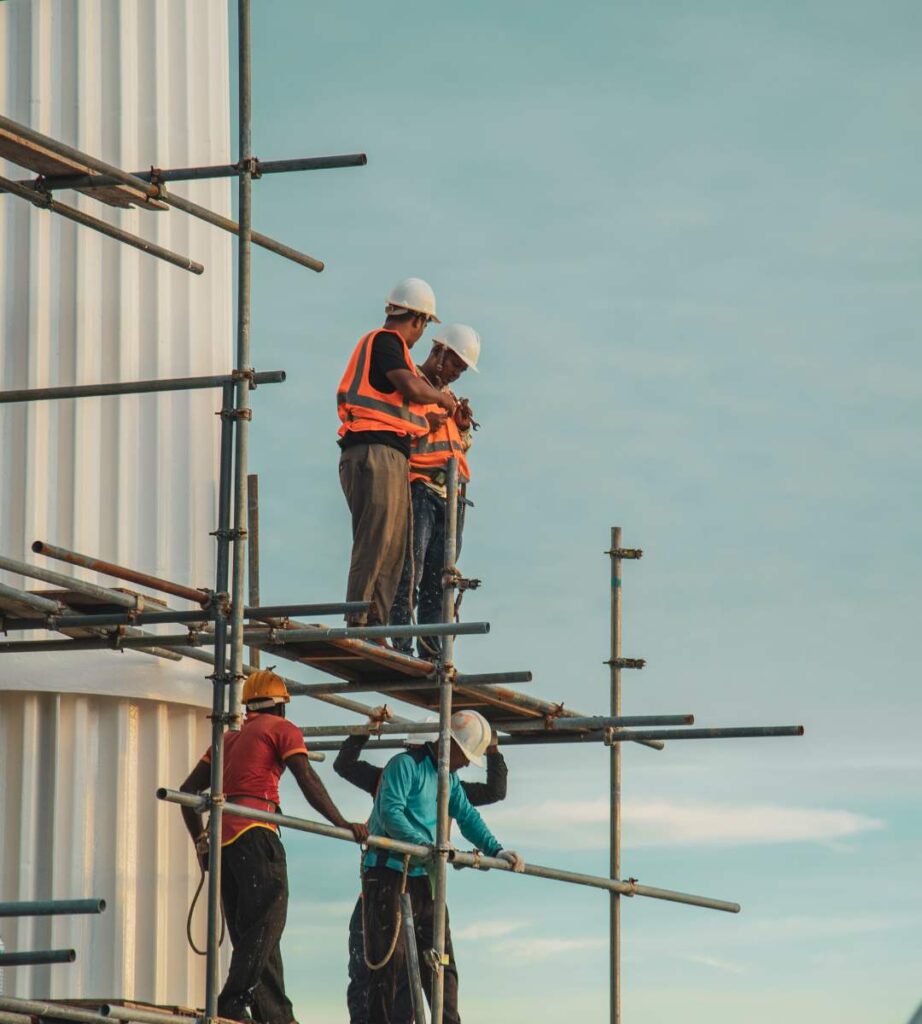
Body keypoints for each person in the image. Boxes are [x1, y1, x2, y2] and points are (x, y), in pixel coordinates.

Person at [178, 669, 369, 1024]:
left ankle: (275, 1015)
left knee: (255, 933)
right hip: (256, 832)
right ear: (280, 707)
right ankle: (232, 1002)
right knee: (268, 922)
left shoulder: (227, 740)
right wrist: (341, 822)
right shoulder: (281, 729)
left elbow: (187, 795)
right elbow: (306, 777)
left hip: (224, 842)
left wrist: (201, 843)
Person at [334, 706, 508, 1024]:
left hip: (423, 879)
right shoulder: (404, 766)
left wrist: (496, 850)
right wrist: (424, 846)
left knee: (441, 963)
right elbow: (390, 811)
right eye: (466, 754)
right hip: (389, 875)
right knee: (389, 964)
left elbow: (468, 815)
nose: (468, 762)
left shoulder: (449, 780)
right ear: (450, 744)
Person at [337, 278, 458, 634]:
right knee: (376, 539)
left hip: (388, 453)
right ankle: (360, 620)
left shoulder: (393, 352)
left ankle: (376, 624)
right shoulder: (386, 342)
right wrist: (440, 399)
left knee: (393, 548)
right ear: (419, 319)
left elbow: (400, 406)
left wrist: (433, 418)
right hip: (372, 452)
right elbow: (409, 386)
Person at [389, 324, 481, 658]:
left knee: (438, 581)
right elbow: (399, 432)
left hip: (451, 496)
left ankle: (431, 652)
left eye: (462, 368)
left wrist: (463, 428)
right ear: (438, 351)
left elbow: (456, 447)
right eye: (455, 363)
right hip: (420, 488)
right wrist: (432, 424)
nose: (457, 373)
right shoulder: (412, 383)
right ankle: (400, 644)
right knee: (410, 570)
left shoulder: (448, 398)